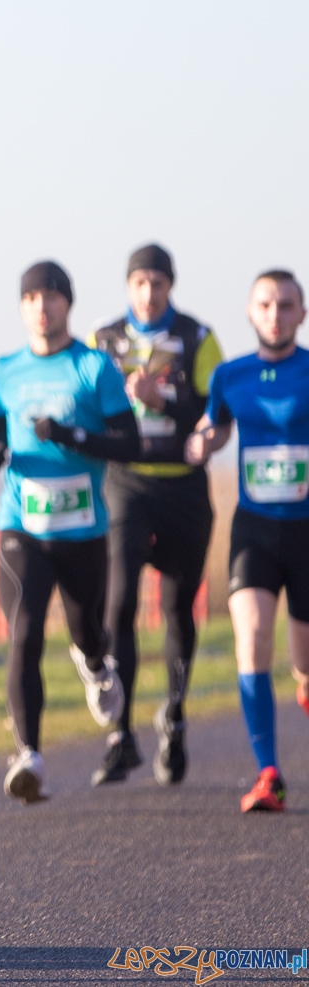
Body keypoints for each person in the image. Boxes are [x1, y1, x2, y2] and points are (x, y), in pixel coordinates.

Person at [0, 261, 138, 803]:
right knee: (24, 632)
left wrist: (72, 436)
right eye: (30, 298)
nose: (41, 307)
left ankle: (96, 665)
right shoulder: (5, 369)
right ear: (21, 307)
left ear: (67, 303)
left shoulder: (92, 368)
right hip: (21, 525)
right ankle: (28, 755)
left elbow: (129, 442)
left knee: (86, 629)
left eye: (50, 296)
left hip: (82, 529)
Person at [86, 244, 223, 786]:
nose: (148, 294)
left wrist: (161, 400)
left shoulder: (198, 338)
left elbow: (216, 415)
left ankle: (174, 714)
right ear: (128, 286)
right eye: (139, 283)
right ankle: (120, 735)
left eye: (157, 283)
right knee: (119, 603)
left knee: (176, 609)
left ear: (171, 285)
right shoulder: (103, 341)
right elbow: (87, 409)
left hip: (184, 488)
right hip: (127, 485)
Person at [185, 269, 309, 813]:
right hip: (254, 529)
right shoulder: (230, 376)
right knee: (252, 635)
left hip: (306, 531)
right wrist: (201, 443)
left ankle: (304, 682)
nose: (275, 315)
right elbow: (212, 429)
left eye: (286, 305)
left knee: (305, 663)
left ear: (302, 314)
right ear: (250, 312)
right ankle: (268, 774)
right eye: (265, 305)